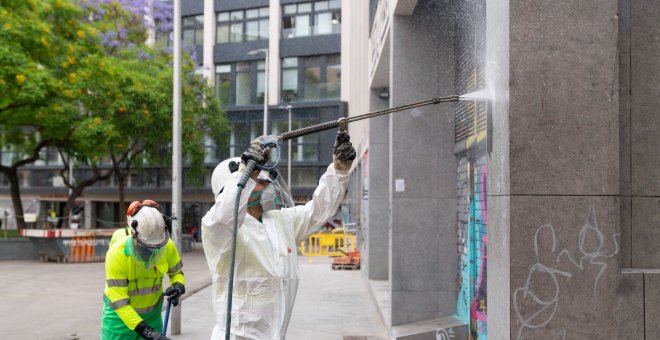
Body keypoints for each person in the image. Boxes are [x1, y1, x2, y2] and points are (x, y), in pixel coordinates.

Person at [202, 131, 356, 339]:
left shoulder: (280, 221)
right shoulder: (218, 229)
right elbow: (225, 214)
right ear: (232, 187)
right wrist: (244, 174)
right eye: (259, 180)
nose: (268, 186)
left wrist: (338, 172)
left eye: (266, 181)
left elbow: (318, 210)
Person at [101, 199, 186, 340]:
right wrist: (147, 332)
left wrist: (178, 286)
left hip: (152, 318)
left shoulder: (167, 246)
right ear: (134, 234)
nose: (153, 253)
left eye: (157, 248)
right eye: (146, 247)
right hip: (119, 322)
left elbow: (176, 273)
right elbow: (120, 302)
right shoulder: (117, 255)